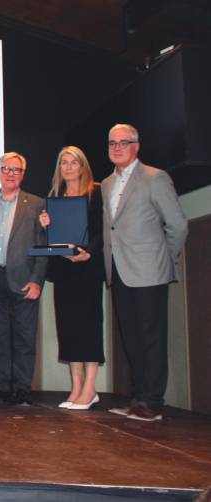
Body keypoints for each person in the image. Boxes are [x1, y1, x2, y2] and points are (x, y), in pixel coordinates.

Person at [102, 124, 187, 422]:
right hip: (120, 270)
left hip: (150, 271)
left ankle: (152, 401)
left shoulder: (155, 177)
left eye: (123, 142)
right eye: (112, 143)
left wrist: (163, 259)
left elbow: (177, 225)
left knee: (151, 337)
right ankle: (138, 397)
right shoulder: (107, 184)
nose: (117, 147)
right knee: (132, 337)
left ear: (136, 146)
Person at [38, 146, 105, 410]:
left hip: (87, 269)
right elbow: (49, 239)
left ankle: (91, 387)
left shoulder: (96, 193)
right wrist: (46, 227)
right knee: (69, 327)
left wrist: (87, 253)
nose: (67, 167)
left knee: (88, 326)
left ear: (82, 166)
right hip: (65, 270)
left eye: (73, 162)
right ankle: (76, 386)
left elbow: (102, 230)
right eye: (63, 162)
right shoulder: (54, 197)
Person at [0, 152, 47, 406]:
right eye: (5, 169)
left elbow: (43, 247)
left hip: (24, 279)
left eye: (16, 170)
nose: (10, 174)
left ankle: (22, 388)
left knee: (24, 337)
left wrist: (37, 280)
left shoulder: (37, 204)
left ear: (23, 174)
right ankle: (0, 386)